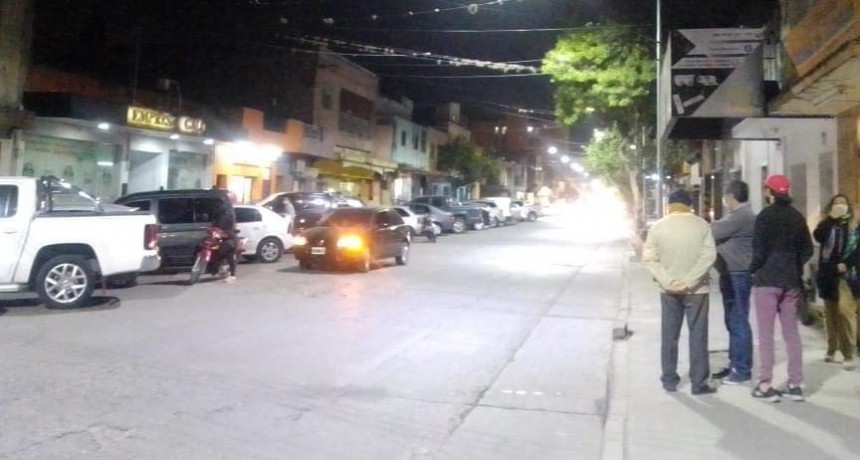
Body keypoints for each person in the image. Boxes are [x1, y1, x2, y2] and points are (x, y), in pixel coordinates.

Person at [643, 189, 718, 395]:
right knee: (698, 336)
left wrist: (669, 281)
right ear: (689, 205)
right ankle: (699, 383)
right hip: (697, 290)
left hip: (669, 291)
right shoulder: (702, 225)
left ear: (669, 205)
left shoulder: (657, 227)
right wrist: (690, 281)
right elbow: (709, 255)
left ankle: (669, 380)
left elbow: (650, 259)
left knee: (669, 335)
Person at [750, 175, 814, 402]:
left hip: (767, 281)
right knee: (791, 334)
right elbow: (808, 249)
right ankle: (795, 384)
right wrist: (795, 266)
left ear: (769, 192)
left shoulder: (764, 217)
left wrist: (753, 269)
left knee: (766, 334)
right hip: (791, 281)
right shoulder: (797, 217)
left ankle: (765, 384)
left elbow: (758, 250)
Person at [710, 180, 756, 385]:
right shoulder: (737, 215)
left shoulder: (741, 216)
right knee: (732, 320)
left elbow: (711, 231)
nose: (724, 200)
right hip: (731, 273)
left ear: (731, 196)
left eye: (725, 196)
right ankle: (735, 363)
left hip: (738, 274)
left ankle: (742, 369)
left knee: (738, 321)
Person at [813, 194, 858, 370]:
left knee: (844, 313)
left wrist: (847, 263)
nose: (840, 206)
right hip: (827, 274)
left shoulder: (854, 225)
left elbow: (857, 248)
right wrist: (831, 218)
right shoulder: (827, 224)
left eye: (843, 203)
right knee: (830, 314)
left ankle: (848, 353)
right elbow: (818, 236)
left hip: (846, 275)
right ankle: (831, 349)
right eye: (836, 203)